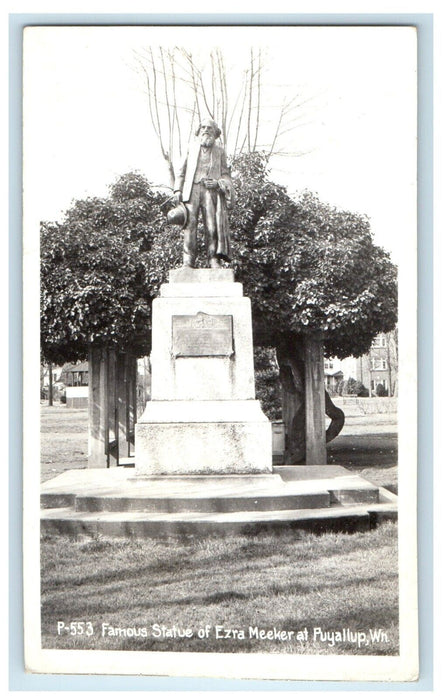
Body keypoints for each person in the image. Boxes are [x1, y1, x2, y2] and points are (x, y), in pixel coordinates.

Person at [173, 119, 234, 268]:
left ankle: (213, 259)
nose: (206, 130)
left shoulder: (220, 151)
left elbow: (226, 174)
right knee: (189, 226)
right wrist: (177, 190)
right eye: (203, 128)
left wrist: (218, 182)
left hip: (210, 191)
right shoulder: (190, 148)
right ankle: (188, 261)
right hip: (191, 191)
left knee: (212, 226)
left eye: (209, 128)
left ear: (215, 133)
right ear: (199, 131)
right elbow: (181, 171)